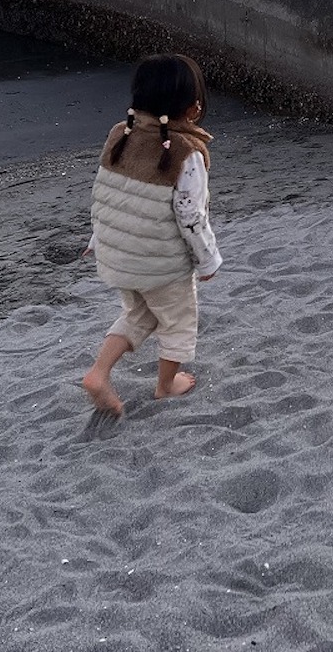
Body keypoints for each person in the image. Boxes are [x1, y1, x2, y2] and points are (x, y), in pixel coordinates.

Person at [80, 53, 221, 416]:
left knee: (140, 313)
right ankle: (165, 386)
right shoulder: (187, 153)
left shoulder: (118, 135)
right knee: (178, 322)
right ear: (193, 109)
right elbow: (191, 216)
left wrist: (99, 240)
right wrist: (208, 259)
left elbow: (107, 195)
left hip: (117, 254)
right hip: (160, 264)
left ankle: (99, 373)